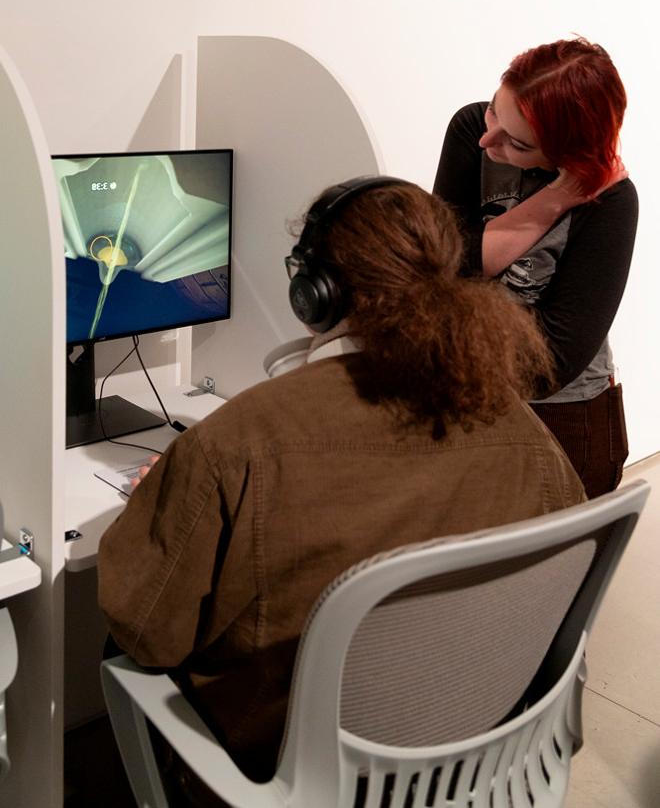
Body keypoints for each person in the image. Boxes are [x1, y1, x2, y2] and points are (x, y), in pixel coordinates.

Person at [98, 177, 584, 805]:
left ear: (314, 293)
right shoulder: (525, 432)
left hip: (288, 773)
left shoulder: (236, 443)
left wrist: (161, 498)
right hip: (471, 756)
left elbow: (147, 633)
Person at [433, 38, 638, 499]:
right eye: (495, 112)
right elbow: (438, 269)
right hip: (463, 395)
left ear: (568, 154)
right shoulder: (471, 128)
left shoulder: (612, 202)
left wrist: (444, 336)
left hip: (563, 418)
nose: (489, 141)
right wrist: (557, 199)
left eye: (518, 144)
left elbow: (550, 364)